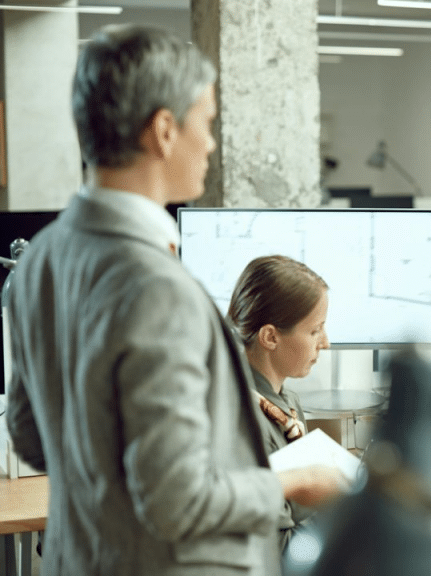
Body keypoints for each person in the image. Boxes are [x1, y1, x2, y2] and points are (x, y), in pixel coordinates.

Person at [5, 24, 339, 576]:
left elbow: (34, 440)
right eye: (206, 122)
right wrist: (296, 479)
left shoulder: (42, 258)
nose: (211, 143)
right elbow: (176, 502)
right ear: (163, 130)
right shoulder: (158, 286)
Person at [227, 255, 333, 552]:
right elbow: (278, 549)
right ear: (270, 336)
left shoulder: (286, 402)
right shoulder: (245, 423)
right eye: (315, 330)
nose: (325, 342)